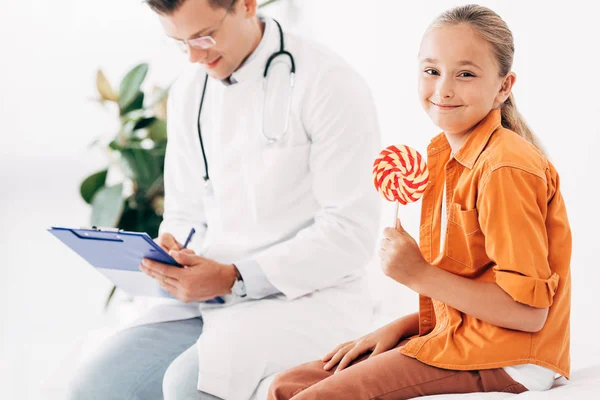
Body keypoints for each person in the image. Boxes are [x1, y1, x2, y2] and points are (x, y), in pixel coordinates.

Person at [67, 0, 381, 399]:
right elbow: (184, 210)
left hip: (308, 295)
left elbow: (351, 233)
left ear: (247, 5)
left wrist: (236, 275)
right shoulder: (189, 92)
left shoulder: (328, 82)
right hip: (212, 296)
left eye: (203, 36)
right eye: (180, 43)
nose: (195, 56)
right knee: (95, 386)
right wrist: (174, 248)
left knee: (188, 385)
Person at [268, 4, 571, 399]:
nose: (443, 89)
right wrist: (403, 327)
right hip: (464, 336)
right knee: (286, 385)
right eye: (432, 71)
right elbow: (476, 286)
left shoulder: (504, 168)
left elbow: (527, 314)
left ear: (503, 86)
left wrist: (416, 274)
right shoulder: (445, 156)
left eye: (465, 74)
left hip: (509, 358)